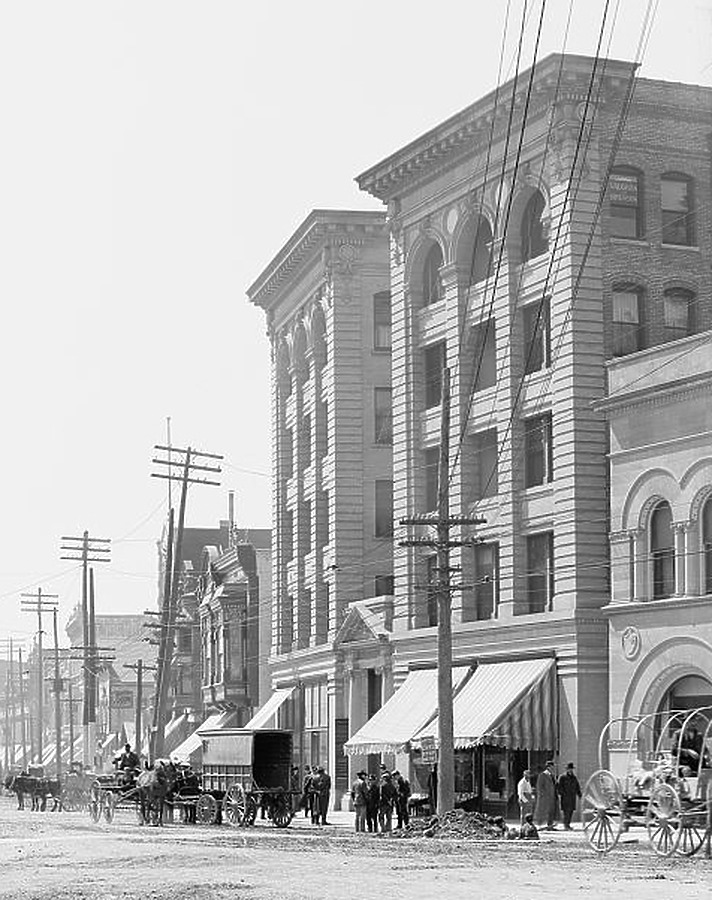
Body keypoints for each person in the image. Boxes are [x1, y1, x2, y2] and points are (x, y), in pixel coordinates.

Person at [557, 762, 582, 830]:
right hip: (565, 797)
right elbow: (559, 787)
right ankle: (566, 825)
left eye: (571, 769)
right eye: (569, 769)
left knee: (571, 811)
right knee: (566, 811)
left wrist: (580, 795)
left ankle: (568, 824)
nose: (570, 770)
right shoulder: (562, 777)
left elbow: (577, 787)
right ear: (567, 769)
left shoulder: (574, 778)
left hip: (572, 797)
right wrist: (562, 794)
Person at [534, 760, 557, 830]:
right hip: (545, 797)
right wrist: (542, 795)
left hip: (551, 797)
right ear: (549, 767)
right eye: (552, 766)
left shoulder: (552, 775)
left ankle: (550, 825)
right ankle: (542, 825)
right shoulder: (543, 775)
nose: (554, 768)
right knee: (543, 811)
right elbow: (539, 787)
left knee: (551, 811)